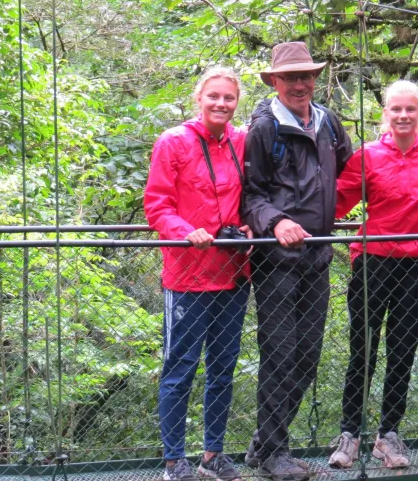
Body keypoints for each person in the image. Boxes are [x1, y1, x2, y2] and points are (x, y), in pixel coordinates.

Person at [328, 80, 418, 469]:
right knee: (363, 350)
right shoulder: (368, 155)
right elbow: (337, 200)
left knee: (403, 350)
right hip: (373, 260)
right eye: (396, 109)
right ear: (385, 113)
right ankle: (350, 434)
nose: (403, 115)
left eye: (410, 109)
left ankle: (389, 435)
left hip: (417, 263)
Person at [242, 42, 353, 481]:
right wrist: (277, 221)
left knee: (307, 357)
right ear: (274, 81)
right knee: (279, 355)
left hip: (318, 256)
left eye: (306, 76)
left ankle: (262, 443)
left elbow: (350, 170)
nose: (300, 84)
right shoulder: (264, 128)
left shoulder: (328, 122)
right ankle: (274, 454)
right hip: (277, 263)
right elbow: (250, 194)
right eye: (290, 77)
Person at [144, 66, 251, 481]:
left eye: (228, 98)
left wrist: (249, 226)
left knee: (223, 367)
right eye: (214, 97)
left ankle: (213, 455)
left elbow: (254, 196)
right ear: (198, 99)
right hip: (189, 273)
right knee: (181, 366)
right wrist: (187, 232)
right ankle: (174, 461)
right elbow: (156, 205)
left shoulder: (242, 142)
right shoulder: (173, 142)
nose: (221, 104)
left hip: (234, 272)